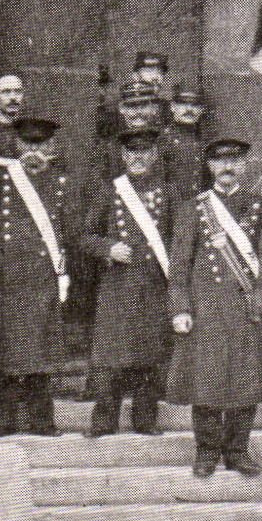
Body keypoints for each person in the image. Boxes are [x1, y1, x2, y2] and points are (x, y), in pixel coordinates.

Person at [165, 138, 262, 477]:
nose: (227, 168)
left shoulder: (260, 206)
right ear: (210, 166)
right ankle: (206, 450)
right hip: (207, 307)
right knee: (207, 381)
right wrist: (180, 308)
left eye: (235, 161)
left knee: (245, 381)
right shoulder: (193, 209)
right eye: (219, 162)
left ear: (244, 166)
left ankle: (237, 450)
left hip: (247, 305)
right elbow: (179, 266)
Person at [0, 117, 72, 438]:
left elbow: (71, 229)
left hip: (44, 278)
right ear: (16, 145)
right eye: (27, 144)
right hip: (9, 280)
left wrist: (64, 264)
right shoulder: (1, 180)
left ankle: (43, 422)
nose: (33, 150)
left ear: (51, 147)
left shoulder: (60, 182)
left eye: (40, 144)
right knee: (7, 352)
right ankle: (2, 423)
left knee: (40, 352)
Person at [78, 129, 174, 437]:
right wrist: (108, 248)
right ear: (123, 156)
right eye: (132, 152)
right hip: (118, 286)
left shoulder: (169, 193)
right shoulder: (110, 191)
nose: (138, 158)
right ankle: (104, 421)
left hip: (154, 285)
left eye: (145, 151)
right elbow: (84, 236)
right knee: (111, 356)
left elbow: (179, 240)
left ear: (155, 155)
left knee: (150, 355)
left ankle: (145, 419)